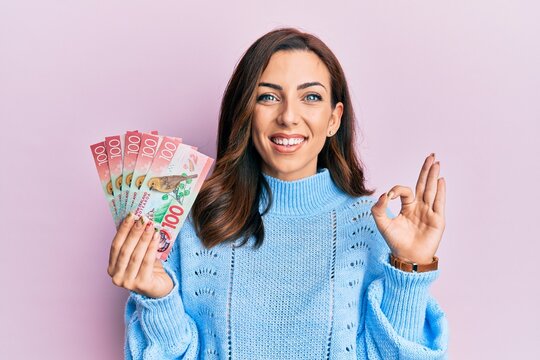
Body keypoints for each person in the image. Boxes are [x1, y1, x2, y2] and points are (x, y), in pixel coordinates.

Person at [108, 27, 449, 359]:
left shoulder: (374, 227)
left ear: (334, 119)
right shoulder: (194, 225)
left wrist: (411, 271)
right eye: (268, 97)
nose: (288, 116)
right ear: (245, 113)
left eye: (310, 97)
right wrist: (160, 300)